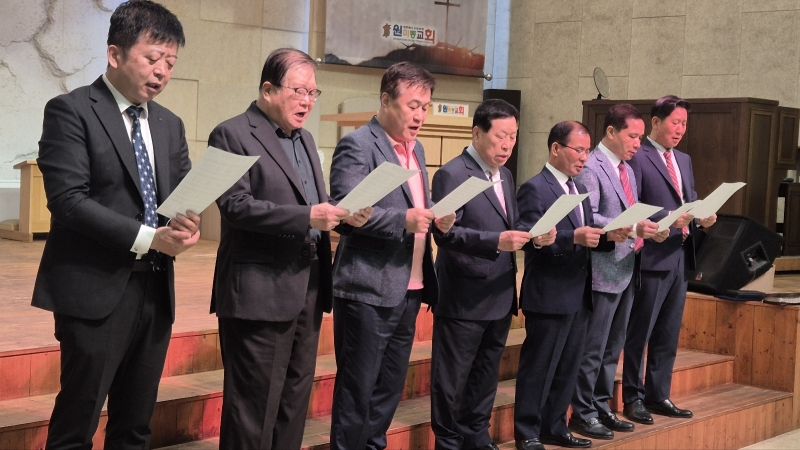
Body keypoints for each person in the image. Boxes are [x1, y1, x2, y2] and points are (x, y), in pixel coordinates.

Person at [32, 1, 200, 448]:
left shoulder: (168, 124)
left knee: (135, 426)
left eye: (170, 63)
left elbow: (179, 196)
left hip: (155, 290)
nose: (162, 72)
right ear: (115, 54)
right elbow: (68, 201)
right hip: (95, 290)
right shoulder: (71, 110)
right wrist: (150, 238)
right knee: (76, 425)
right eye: (152, 58)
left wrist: (188, 222)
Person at [209, 48, 371, 450]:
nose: (308, 102)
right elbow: (235, 206)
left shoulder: (305, 139)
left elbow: (314, 202)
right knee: (252, 410)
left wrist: (344, 215)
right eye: (299, 91)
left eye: (313, 93)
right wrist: (307, 217)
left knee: (293, 403)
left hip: (308, 287)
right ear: (268, 90)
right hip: (258, 292)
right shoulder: (232, 134)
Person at [328, 61, 456, 450]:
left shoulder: (416, 149)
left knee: (388, 388)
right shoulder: (359, 145)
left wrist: (437, 221)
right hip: (367, 288)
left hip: (410, 287)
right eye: (413, 105)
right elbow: (346, 209)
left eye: (425, 107)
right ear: (386, 101)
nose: (420, 115)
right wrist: (404, 219)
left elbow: (418, 209)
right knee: (357, 389)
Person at [430, 99, 546, 450]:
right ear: (477, 133)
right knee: (451, 380)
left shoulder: (505, 175)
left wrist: (534, 234)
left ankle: (477, 436)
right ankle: (449, 443)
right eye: (500, 136)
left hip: (500, 292)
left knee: (485, 375)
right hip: (464, 296)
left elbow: (509, 223)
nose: (508, 144)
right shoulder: (452, 174)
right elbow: (445, 234)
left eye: (513, 136)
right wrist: (496, 241)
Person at [513, 121, 617, 450]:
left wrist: (610, 237)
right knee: (539, 368)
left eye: (587, 151)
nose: (584, 157)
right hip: (548, 293)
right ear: (556, 148)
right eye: (578, 150)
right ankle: (527, 432)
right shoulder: (535, 188)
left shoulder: (577, 189)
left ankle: (554, 426)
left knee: (568, 367)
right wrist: (573, 237)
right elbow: (530, 239)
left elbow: (585, 237)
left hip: (578, 292)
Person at [569, 104, 662, 440]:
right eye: (632, 136)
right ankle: (582, 412)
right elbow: (589, 216)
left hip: (626, 267)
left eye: (640, 137)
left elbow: (630, 213)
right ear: (611, 132)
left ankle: (600, 404)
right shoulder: (591, 166)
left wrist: (648, 227)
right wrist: (633, 226)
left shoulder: (628, 169)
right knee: (593, 348)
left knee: (613, 346)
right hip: (601, 269)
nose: (638, 143)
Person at [622, 95, 716, 425]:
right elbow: (632, 204)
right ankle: (632, 397)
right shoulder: (639, 155)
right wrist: (666, 219)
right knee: (641, 331)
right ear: (656, 122)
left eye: (684, 124)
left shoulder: (684, 160)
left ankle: (658, 393)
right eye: (675, 122)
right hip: (652, 254)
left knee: (668, 331)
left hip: (680, 253)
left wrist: (702, 215)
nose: (680, 129)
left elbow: (688, 199)